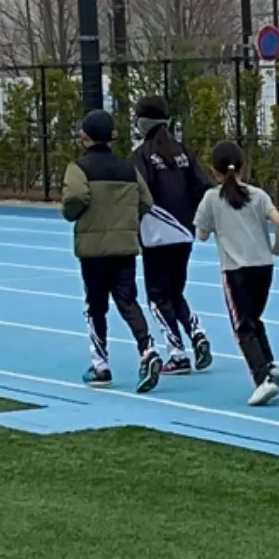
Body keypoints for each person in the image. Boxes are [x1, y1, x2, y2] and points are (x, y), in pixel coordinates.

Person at [60, 106, 161, 394]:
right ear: (112, 135)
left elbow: (76, 197)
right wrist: (126, 220)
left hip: (93, 250)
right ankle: (148, 349)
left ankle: (100, 365)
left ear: (84, 136)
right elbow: (146, 202)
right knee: (128, 301)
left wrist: (72, 213)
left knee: (95, 307)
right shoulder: (128, 169)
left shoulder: (78, 168)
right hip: (124, 247)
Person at [193, 142, 279, 404]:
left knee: (242, 326)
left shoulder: (212, 198)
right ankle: (269, 364)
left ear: (215, 172)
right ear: (243, 168)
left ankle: (262, 378)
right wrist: (277, 248)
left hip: (236, 269)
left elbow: (201, 234)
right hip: (263, 266)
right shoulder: (259, 195)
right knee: (254, 318)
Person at [130, 97, 213, 375]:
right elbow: (203, 188)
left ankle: (177, 354)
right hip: (184, 232)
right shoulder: (184, 153)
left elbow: (135, 195)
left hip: (155, 235)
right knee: (175, 292)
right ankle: (197, 333)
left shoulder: (141, 156)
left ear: (142, 122)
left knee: (157, 296)